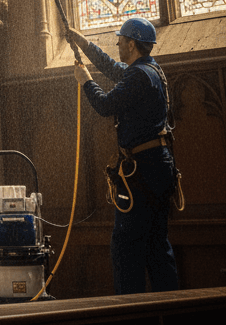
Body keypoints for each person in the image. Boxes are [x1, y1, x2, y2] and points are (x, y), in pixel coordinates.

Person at [69, 17, 179, 295]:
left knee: (126, 246)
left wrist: (85, 81)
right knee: (156, 245)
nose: (117, 43)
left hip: (142, 170)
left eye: (120, 40)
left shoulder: (139, 76)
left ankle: (129, 313)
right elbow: (110, 66)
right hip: (159, 166)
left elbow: (105, 105)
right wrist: (82, 42)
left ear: (131, 44)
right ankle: (171, 307)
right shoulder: (150, 71)